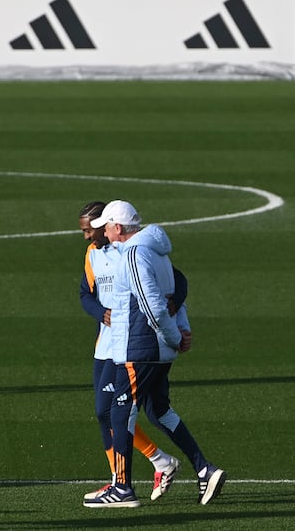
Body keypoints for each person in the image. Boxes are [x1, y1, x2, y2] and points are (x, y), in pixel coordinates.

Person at [84, 200, 226, 508]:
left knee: (117, 413)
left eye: (106, 227)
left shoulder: (134, 254)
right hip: (156, 349)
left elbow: (152, 305)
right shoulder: (156, 253)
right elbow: (175, 296)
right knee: (160, 411)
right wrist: (181, 331)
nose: (104, 234)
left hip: (141, 348)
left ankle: (122, 488)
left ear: (118, 228)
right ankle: (205, 468)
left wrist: (175, 336)